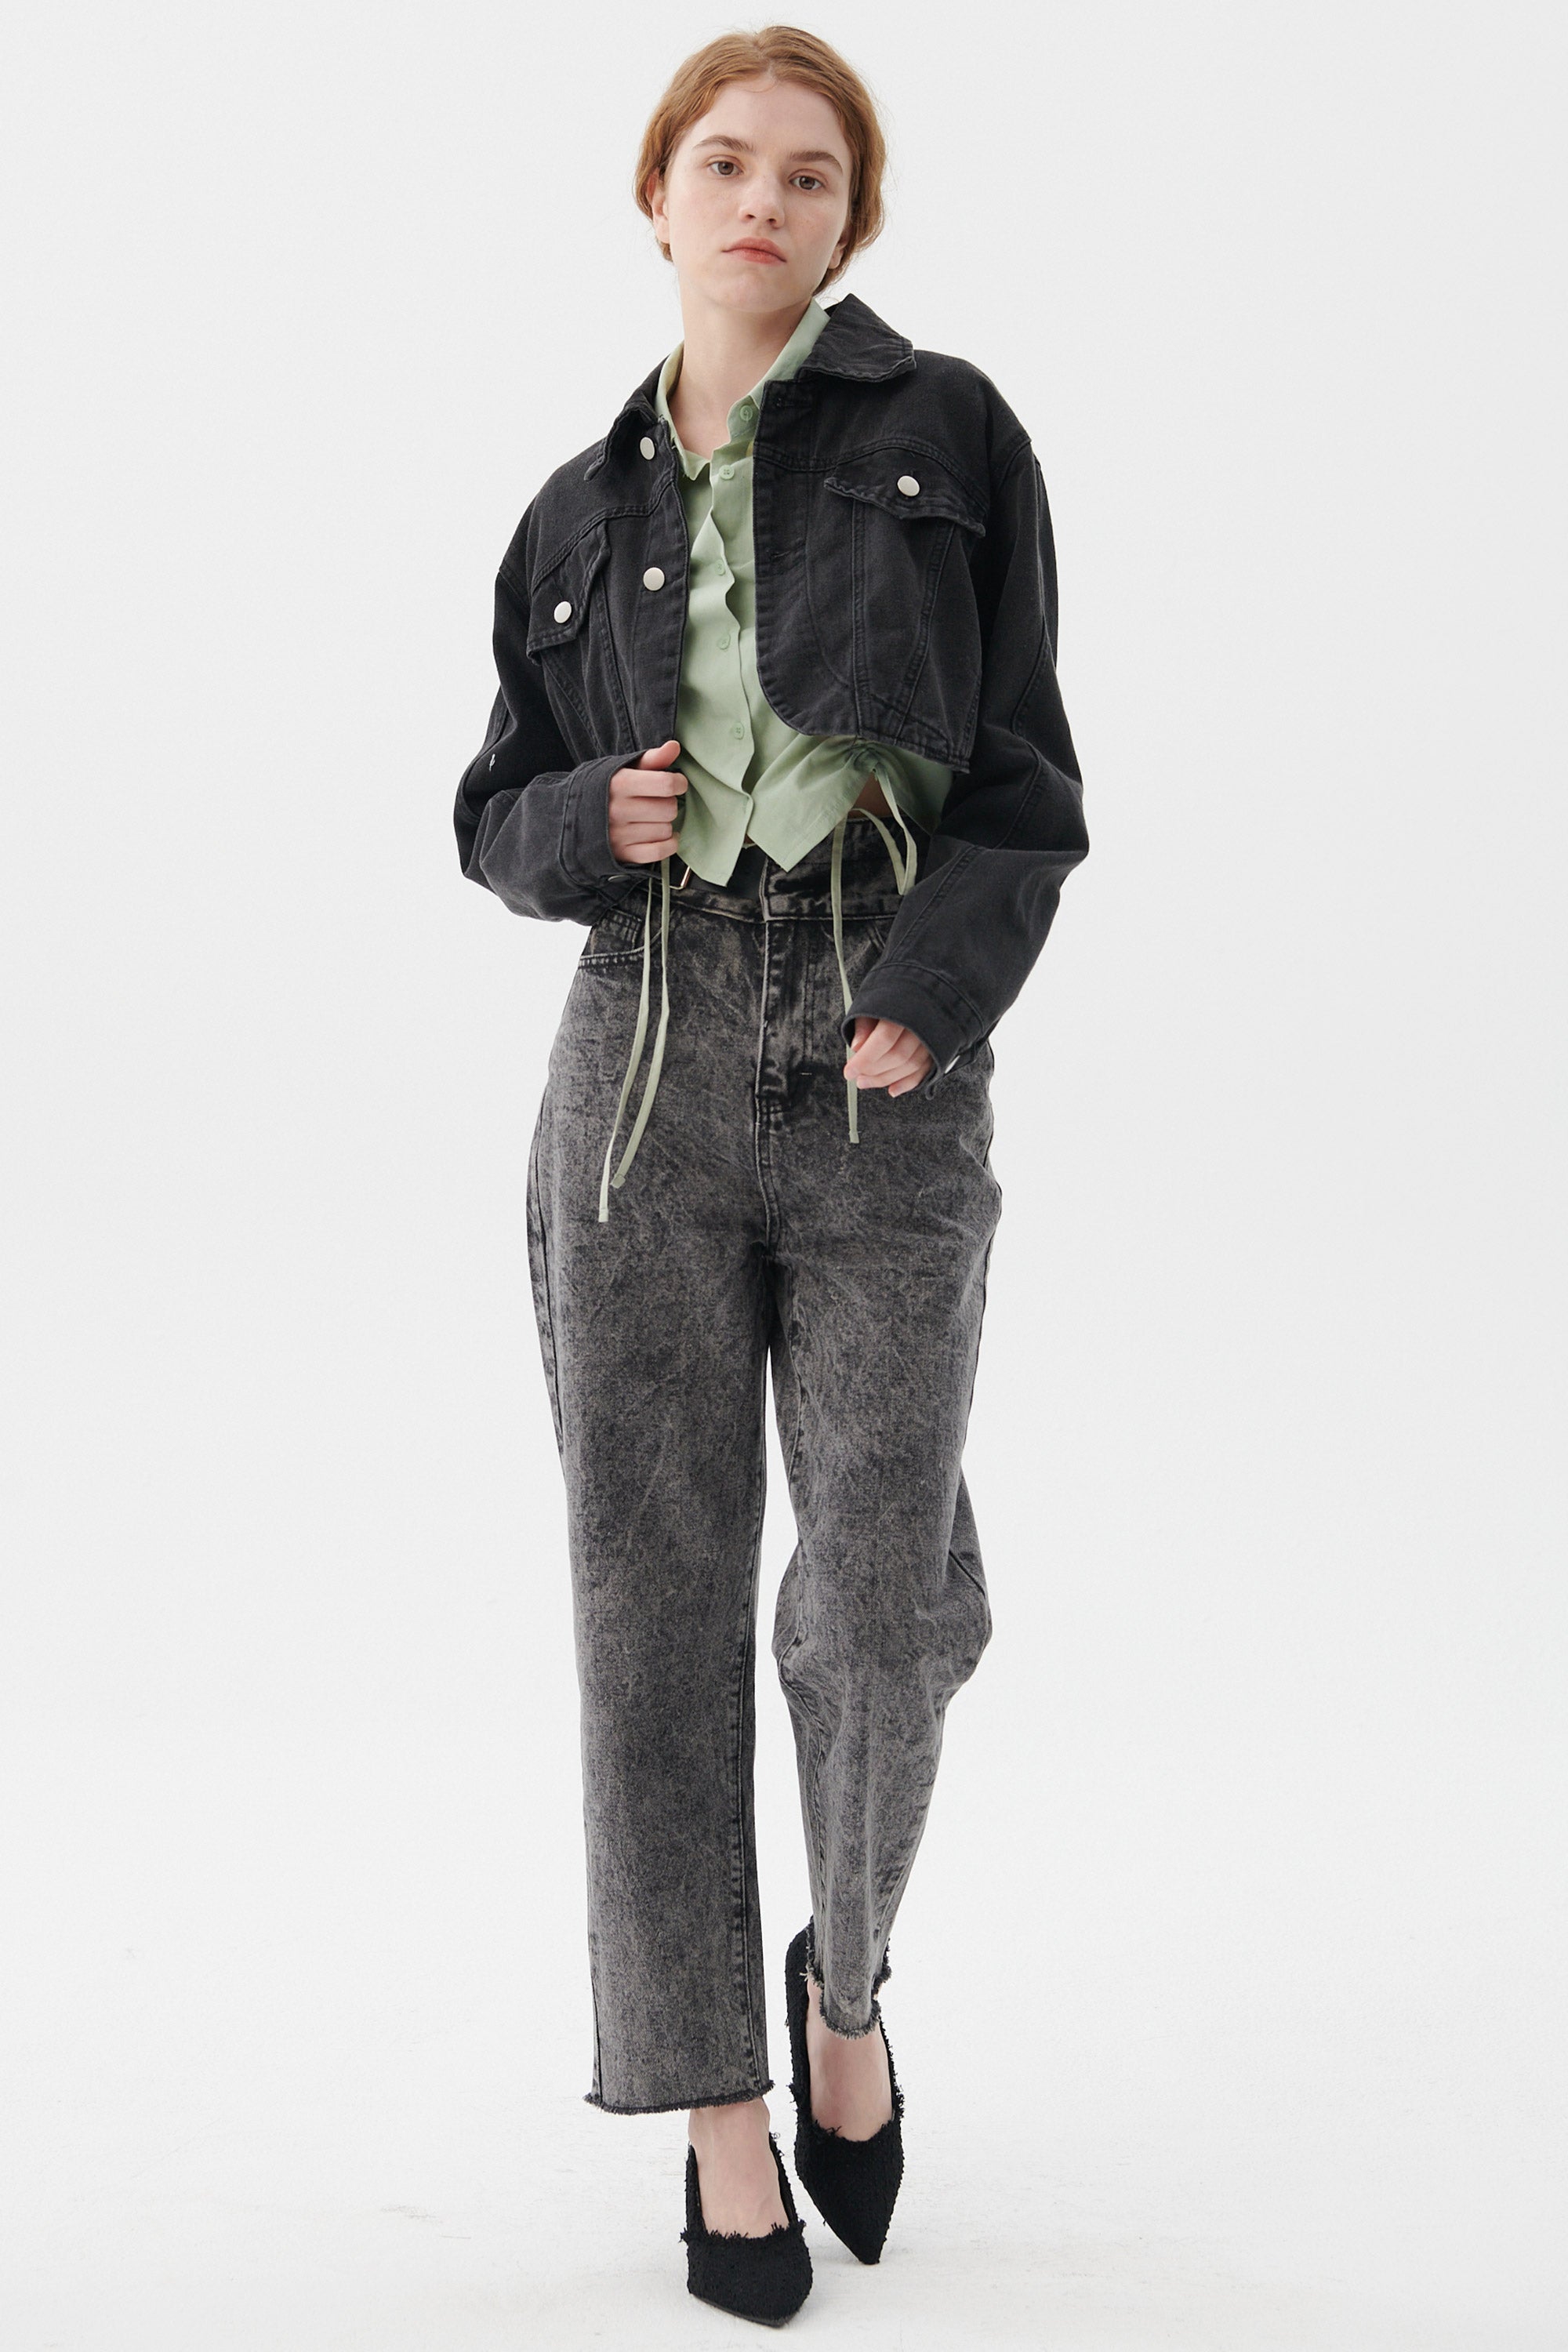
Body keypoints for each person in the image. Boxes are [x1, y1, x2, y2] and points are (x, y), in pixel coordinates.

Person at [452, 25, 1087, 2326]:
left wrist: (934, 991)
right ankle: (718, 2104)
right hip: (633, 1054)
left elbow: (1024, 781)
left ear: (850, 220)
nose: (764, 201)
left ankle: (848, 1981)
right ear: (658, 196)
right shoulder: (569, 512)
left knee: (889, 1596)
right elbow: (489, 812)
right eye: (724, 163)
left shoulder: (952, 431)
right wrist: (577, 820)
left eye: (811, 176)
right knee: (650, 1598)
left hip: (882, 1039)